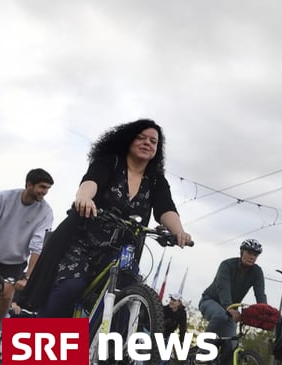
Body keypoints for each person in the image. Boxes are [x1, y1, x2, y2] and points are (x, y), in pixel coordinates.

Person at [24, 119, 192, 318]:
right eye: (141, 138)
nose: (148, 143)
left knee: (124, 297)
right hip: (84, 241)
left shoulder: (156, 179)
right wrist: (84, 197)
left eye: (153, 141)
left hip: (122, 250)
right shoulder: (110, 161)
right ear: (128, 140)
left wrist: (178, 231)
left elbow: (166, 208)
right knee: (70, 288)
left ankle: (102, 347)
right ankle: (36, 342)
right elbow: (91, 181)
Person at [0, 168, 54, 359]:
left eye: (47, 189)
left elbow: (37, 247)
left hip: (14, 258)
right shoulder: (3, 198)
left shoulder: (45, 211)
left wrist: (28, 276)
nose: (44, 192)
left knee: (7, 294)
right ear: (29, 184)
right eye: (42, 187)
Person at [199, 238, 267, 365]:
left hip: (230, 310)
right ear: (242, 252)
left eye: (255, 255)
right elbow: (223, 287)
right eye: (249, 252)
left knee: (232, 346)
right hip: (210, 301)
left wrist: (265, 313)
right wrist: (229, 307)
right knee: (220, 316)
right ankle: (203, 353)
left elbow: (260, 293)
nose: (252, 257)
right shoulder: (227, 265)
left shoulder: (257, 272)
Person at [153, 292, 188, 365]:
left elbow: (183, 327)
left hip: (168, 335)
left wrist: (181, 342)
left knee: (164, 359)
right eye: (171, 299)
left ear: (179, 303)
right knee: (153, 356)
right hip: (158, 333)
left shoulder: (182, 313)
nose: (171, 302)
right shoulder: (164, 309)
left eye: (174, 300)